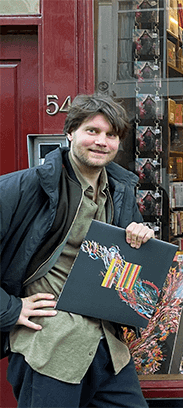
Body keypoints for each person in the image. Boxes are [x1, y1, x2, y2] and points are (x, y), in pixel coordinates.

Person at [0, 93, 155, 407]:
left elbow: (126, 266)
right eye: (92, 131)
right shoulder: (22, 188)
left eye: (110, 135)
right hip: (49, 347)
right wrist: (10, 309)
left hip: (108, 349)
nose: (101, 141)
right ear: (70, 132)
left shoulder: (120, 191)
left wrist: (141, 235)